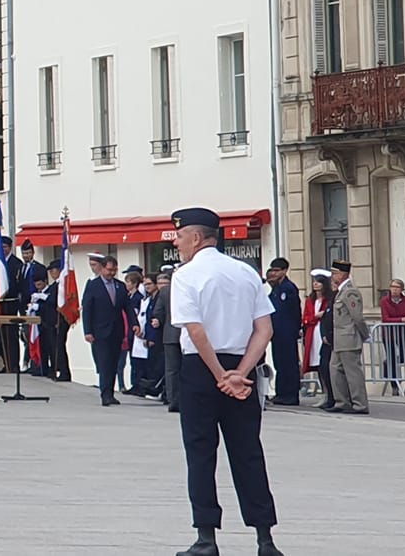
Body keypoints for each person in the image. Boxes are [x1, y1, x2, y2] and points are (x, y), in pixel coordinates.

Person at [167, 207, 282, 556]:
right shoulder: (246, 273)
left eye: (179, 235)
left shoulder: (186, 276)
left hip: (204, 370)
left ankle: (206, 537)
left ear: (196, 238)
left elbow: (196, 331)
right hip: (241, 369)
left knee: (201, 452)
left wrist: (220, 376)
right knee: (248, 452)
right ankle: (264, 538)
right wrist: (241, 374)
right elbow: (265, 329)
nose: (176, 242)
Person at [82, 253, 130, 405]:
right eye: (109, 270)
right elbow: (87, 309)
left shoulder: (120, 286)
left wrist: (134, 324)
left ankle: (110, 391)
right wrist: (87, 331)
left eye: (114, 270)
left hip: (116, 331)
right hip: (99, 331)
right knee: (104, 363)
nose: (111, 273)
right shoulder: (93, 285)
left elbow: (127, 307)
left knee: (114, 363)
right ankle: (105, 394)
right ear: (102, 269)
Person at [325, 259, 369, 414]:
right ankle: (342, 401)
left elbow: (357, 317)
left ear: (343, 274)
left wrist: (364, 334)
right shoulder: (340, 291)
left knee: (352, 372)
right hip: (339, 339)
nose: (333, 276)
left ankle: (359, 404)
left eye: (335, 273)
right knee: (335, 370)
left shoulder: (350, 291)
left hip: (348, 337)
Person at [262, 258, 302, 406]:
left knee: (288, 363)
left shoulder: (288, 288)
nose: (274, 273)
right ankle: (281, 393)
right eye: (272, 270)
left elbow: (290, 311)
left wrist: (296, 328)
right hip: (277, 332)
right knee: (279, 362)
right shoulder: (276, 288)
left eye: (277, 270)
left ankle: (290, 395)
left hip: (287, 331)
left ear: (284, 271)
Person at [378, 278, 405, 396]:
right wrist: (402, 319)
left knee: (404, 357)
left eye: (397, 287)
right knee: (392, 359)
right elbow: (385, 319)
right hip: (389, 335)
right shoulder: (385, 301)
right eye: (392, 287)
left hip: (404, 334)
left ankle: (386, 363)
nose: (394, 290)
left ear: (402, 289)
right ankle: (394, 385)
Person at [302, 270, 334, 408]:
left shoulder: (329, 299)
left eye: (319, 282)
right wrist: (314, 317)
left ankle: (330, 394)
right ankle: (324, 393)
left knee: (325, 365)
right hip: (312, 333)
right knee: (317, 365)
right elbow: (306, 318)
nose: (315, 284)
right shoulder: (310, 300)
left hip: (323, 332)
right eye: (314, 282)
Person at [158, 267, 182, 411]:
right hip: (189, 334)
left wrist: (157, 321)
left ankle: (173, 399)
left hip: (170, 334)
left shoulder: (165, 292)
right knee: (189, 368)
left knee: (172, 369)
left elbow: (158, 312)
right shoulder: (189, 288)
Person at [128, 274, 156, 395]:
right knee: (136, 362)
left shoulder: (151, 300)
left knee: (146, 364)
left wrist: (146, 334)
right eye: (145, 284)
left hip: (145, 335)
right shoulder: (143, 299)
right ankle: (137, 385)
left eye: (149, 284)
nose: (146, 287)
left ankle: (145, 388)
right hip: (138, 334)